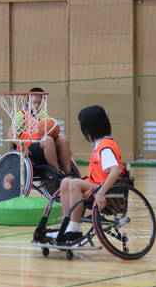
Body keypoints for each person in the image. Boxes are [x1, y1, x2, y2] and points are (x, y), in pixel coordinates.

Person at [53, 105, 125, 246]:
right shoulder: (100, 144)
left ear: (90, 128)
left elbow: (115, 171)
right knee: (65, 182)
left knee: (74, 183)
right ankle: (67, 225)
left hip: (106, 189)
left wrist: (102, 193)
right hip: (96, 185)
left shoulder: (105, 146)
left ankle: (74, 228)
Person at [13, 87, 74, 175]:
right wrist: (21, 144)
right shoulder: (21, 114)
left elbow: (49, 132)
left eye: (40, 103)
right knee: (47, 140)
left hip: (41, 145)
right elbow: (10, 134)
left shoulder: (43, 115)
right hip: (28, 147)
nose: (37, 105)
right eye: (34, 102)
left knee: (63, 139)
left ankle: (68, 173)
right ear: (27, 101)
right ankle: (57, 173)